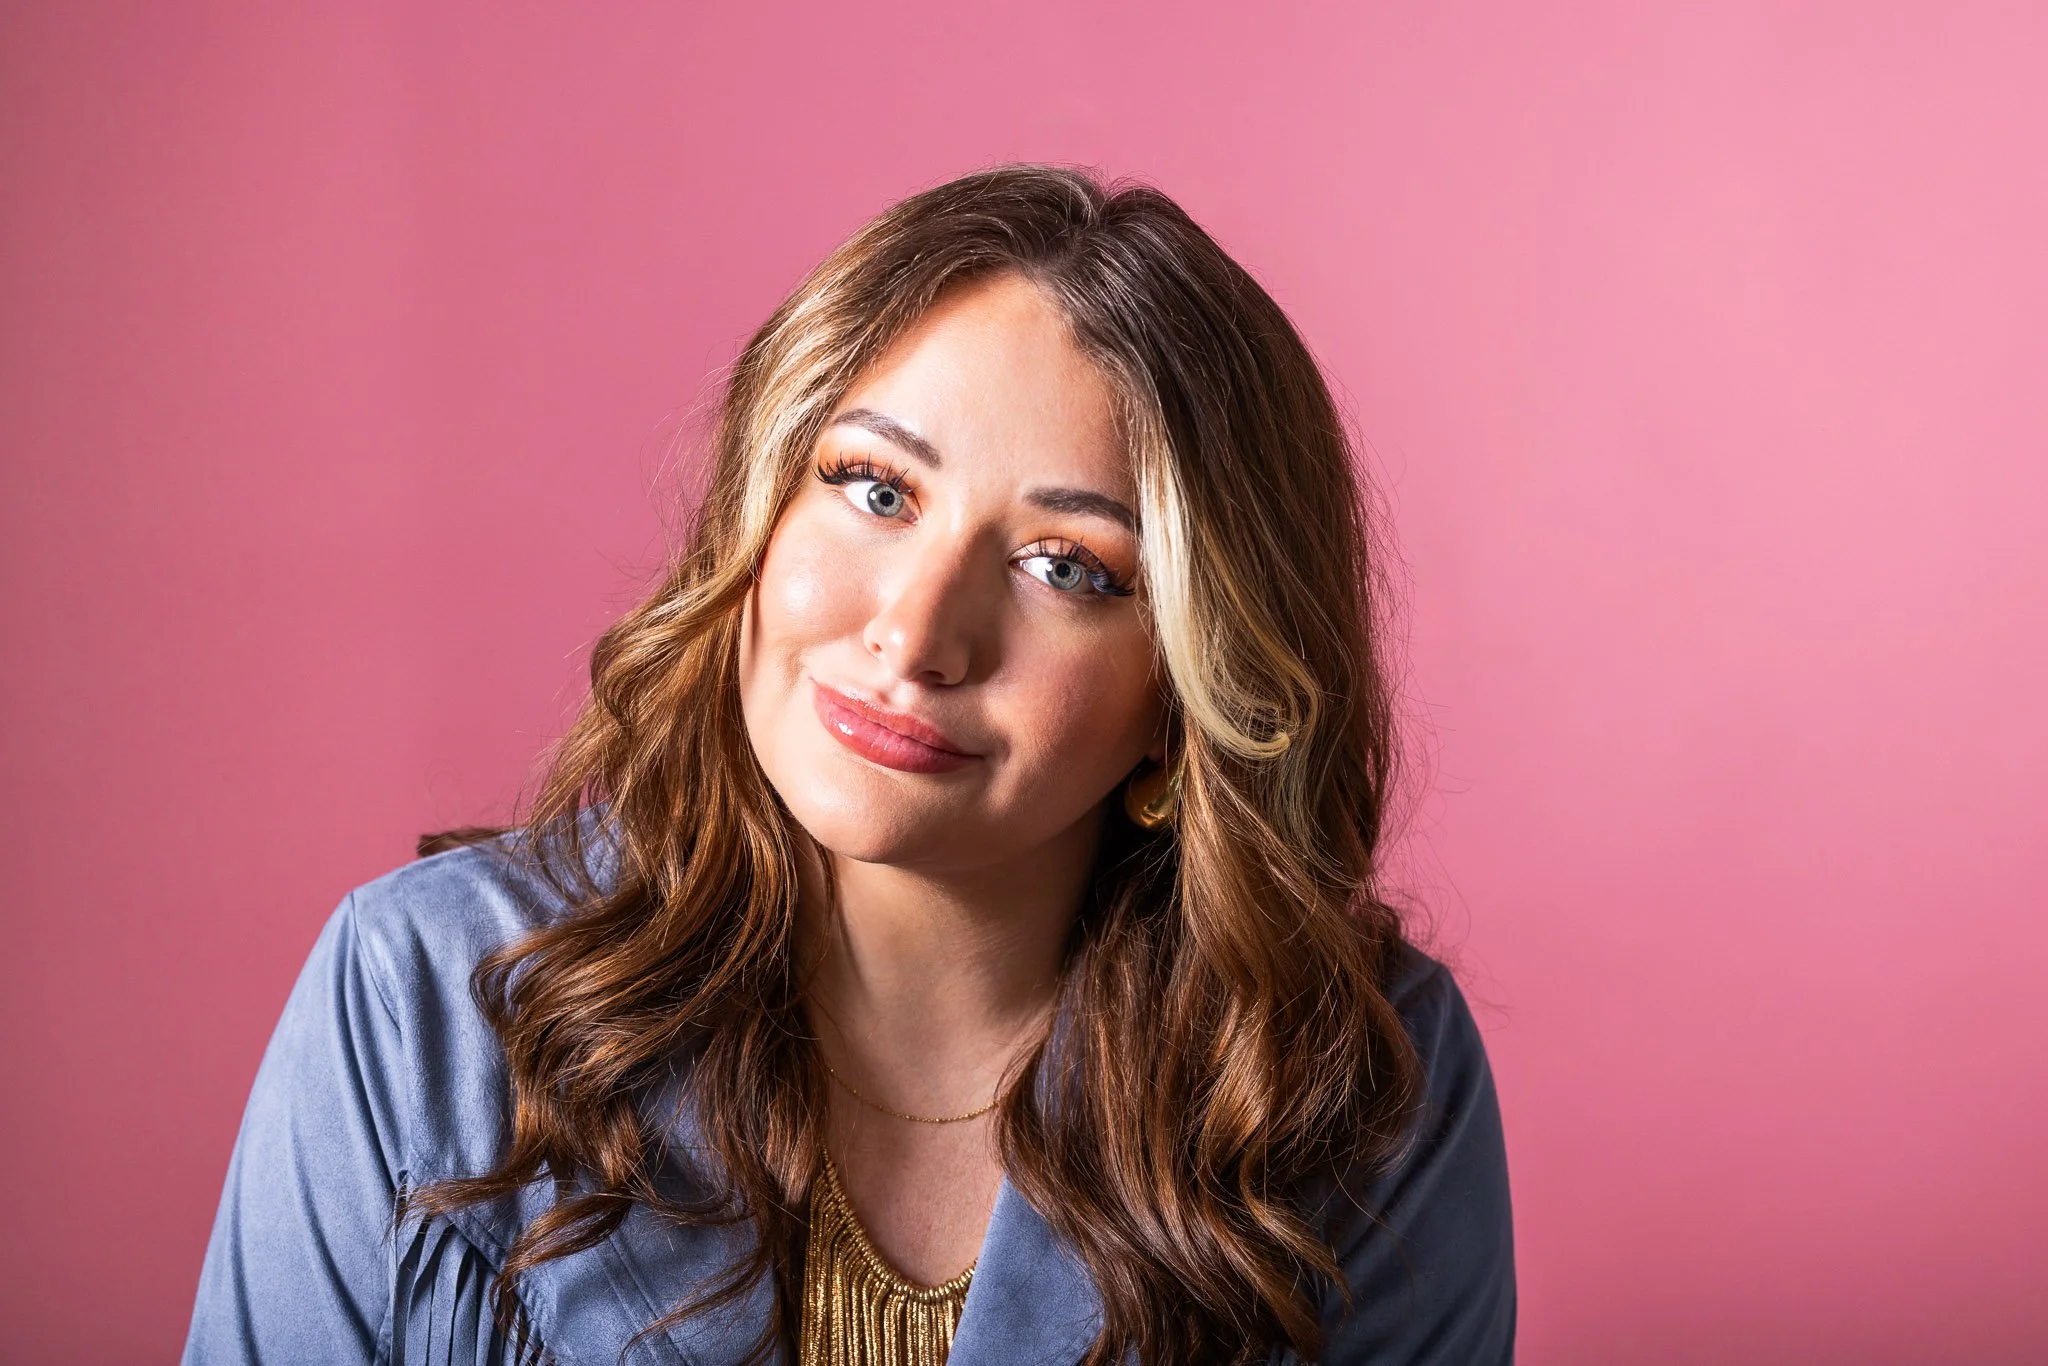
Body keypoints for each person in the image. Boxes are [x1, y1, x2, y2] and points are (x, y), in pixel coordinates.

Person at [183, 163, 1514, 1366]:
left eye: (1066, 566)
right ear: (761, 506)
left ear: (1187, 689)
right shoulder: (421, 997)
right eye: (875, 487)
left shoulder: (1359, 1078)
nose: (917, 631)